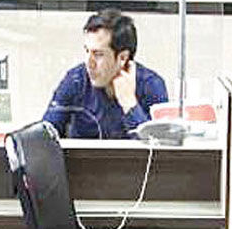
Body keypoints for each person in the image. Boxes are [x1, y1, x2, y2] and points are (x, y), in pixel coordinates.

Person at [43, 9, 168, 139]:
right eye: (87, 51)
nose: (89, 63)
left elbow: (159, 146)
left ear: (122, 58)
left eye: (98, 54)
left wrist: (130, 104)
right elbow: (45, 134)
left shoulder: (151, 84)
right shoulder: (75, 80)